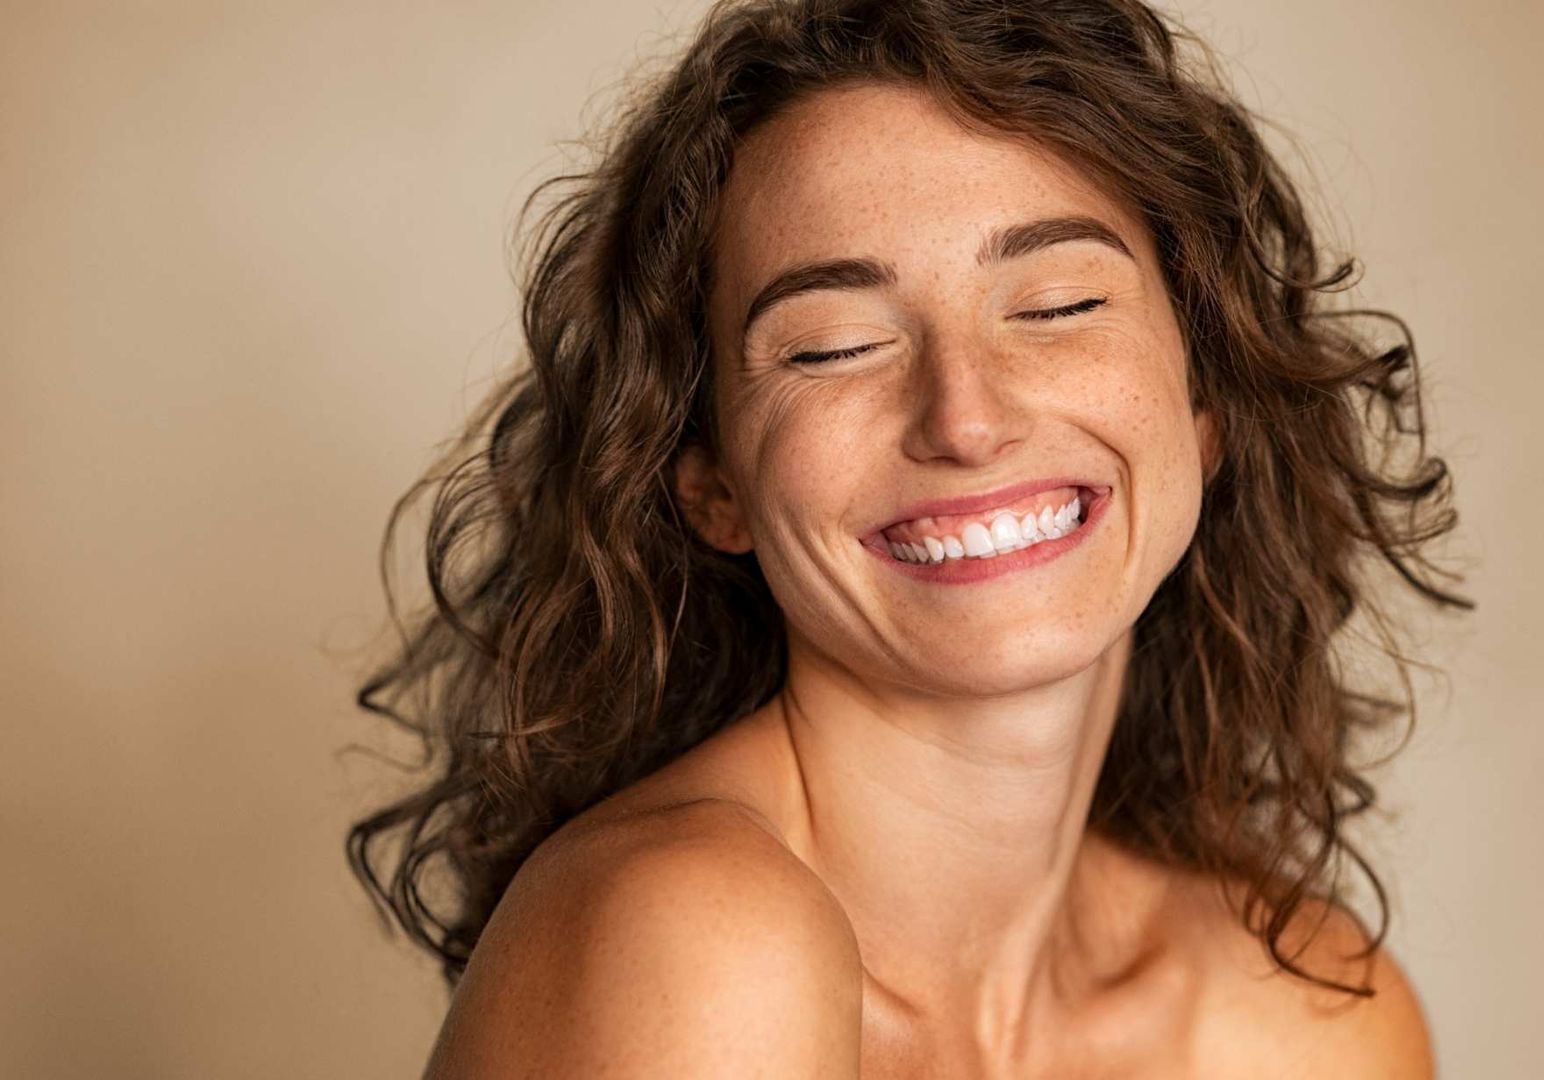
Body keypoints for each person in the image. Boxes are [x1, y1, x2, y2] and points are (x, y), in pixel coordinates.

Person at [346, 0, 1473, 1074]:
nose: (967, 418)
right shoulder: (693, 932)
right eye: (834, 345)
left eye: (1061, 305)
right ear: (710, 483)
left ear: (1206, 407)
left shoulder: (1311, 1018)